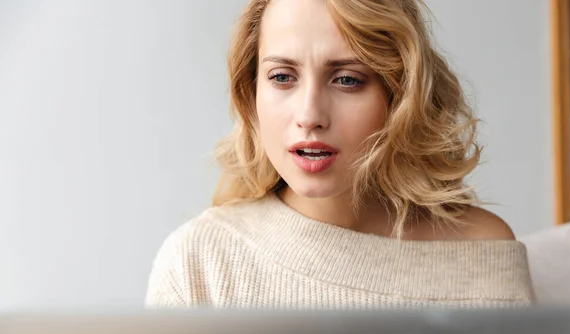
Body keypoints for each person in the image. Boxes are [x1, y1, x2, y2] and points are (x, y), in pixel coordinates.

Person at [145, 0, 535, 308]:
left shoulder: (480, 251)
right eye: (282, 77)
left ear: (398, 96)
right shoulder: (199, 262)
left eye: (347, 79)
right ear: (250, 95)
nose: (310, 116)